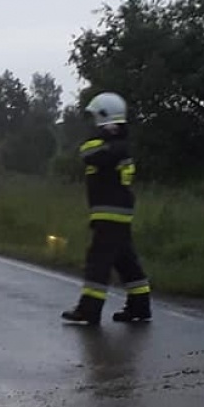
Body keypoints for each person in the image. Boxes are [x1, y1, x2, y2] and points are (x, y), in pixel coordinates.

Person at [61, 92, 153, 325]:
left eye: (95, 118)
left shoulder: (110, 147)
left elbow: (87, 153)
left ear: (104, 117)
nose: (93, 123)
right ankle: (140, 306)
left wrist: (105, 134)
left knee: (98, 261)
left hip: (109, 213)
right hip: (118, 213)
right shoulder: (119, 146)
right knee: (125, 260)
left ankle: (88, 310)